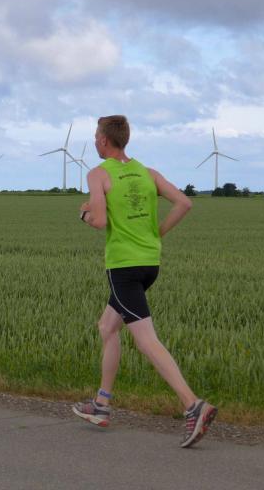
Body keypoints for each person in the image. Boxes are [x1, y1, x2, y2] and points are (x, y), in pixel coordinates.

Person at [72, 115, 217, 448]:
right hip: (150, 264)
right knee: (107, 327)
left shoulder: (98, 174)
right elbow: (184, 203)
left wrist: (84, 214)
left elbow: (99, 220)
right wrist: (158, 233)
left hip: (123, 267)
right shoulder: (148, 173)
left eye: (95, 136)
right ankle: (102, 404)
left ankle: (193, 405)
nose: (94, 141)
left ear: (104, 141)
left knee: (146, 340)